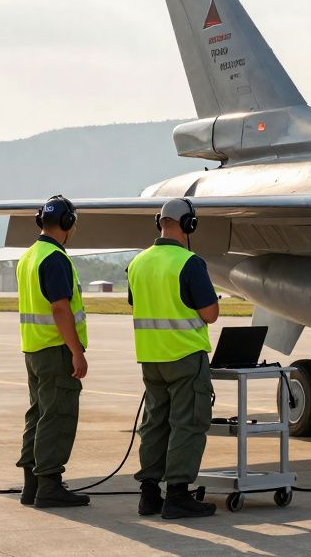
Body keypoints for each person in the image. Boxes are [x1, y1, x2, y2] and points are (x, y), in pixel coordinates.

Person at [126, 198, 221, 519]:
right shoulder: (189, 262)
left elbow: (135, 302)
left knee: (154, 424)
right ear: (189, 225)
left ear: (159, 222)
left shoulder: (138, 262)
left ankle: (149, 494)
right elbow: (210, 314)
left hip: (151, 358)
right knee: (188, 424)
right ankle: (178, 494)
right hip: (184, 355)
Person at [15, 195, 91, 508]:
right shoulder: (55, 258)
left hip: (33, 348)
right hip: (55, 349)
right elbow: (60, 308)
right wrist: (77, 351)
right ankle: (49, 484)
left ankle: (31, 485)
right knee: (57, 416)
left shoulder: (29, 255)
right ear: (67, 223)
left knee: (38, 414)